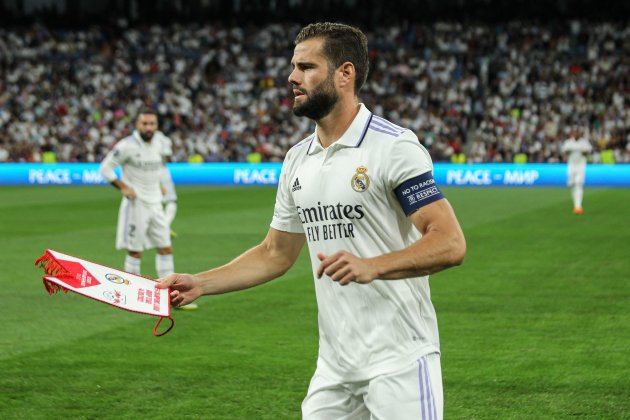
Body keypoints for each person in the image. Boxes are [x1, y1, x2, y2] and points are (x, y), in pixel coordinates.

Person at [158, 22, 465, 418]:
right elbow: (274, 253)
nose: (292, 77)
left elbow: (449, 242)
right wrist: (200, 282)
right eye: (293, 66)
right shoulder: (297, 160)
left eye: (306, 67)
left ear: (345, 74)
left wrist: (373, 266)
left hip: (400, 359)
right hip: (335, 367)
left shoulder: (393, 148)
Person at [100, 109, 197, 310]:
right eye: (145, 123)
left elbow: (160, 166)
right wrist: (124, 187)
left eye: (152, 124)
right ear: (137, 124)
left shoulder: (160, 142)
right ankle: (130, 296)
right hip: (137, 205)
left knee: (165, 247)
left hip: (155, 204)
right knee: (136, 251)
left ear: (157, 125)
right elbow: (105, 168)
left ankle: (169, 297)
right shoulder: (126, 146)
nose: (148, 127)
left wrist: (159, 183)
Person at [561, 129, 593, 214]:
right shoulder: (569, 142)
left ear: (580, 133)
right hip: (571, 166)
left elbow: (588, 152)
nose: (576, 134)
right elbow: (565, 151)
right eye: (575, 132)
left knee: (578, 184)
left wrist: (583, 151)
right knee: (572, 185)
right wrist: (572, 150)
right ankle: (576, 205)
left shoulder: (584, 142)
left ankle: (578, 207)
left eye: (577, 132)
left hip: (581, 166)